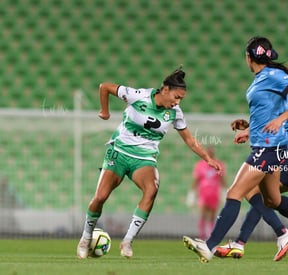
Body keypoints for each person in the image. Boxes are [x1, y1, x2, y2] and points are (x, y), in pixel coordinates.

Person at [183, 36, 288, 263]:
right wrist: (249, 130)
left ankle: (209, 245)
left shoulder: (273, 76)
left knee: (235, 192)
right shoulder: (263, 78)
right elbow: (265, 114)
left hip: (268, 149)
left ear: (248, 57)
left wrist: (281, 120)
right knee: (271, 200)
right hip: (270, 146)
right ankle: (284, 234)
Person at [76, 67, 222, 259]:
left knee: (151, 190)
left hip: (144, 157)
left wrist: (208, 158)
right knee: (100, 197)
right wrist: (105, 111)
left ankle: (127, 242)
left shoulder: (175, 113)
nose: (177, 102)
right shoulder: (138, 96)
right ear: (165, 90)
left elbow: (189, 140)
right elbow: (105, 87)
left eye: (181, 100)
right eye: (176, 97)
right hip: (119, 151)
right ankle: (86, 238)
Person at [215, 92, 288, 259]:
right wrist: (248, 128)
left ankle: (254, 241)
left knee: (255, 192)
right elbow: (277, 126)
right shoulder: (286, 101)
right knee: (264, 197)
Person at [187, 146, 226, 240]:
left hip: (214, 193)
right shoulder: (200, 165)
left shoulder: (219, 164)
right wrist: (192, 194)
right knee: (203, 215)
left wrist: (224, 193)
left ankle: (210, 236)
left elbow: (222, 179)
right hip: (203, 193)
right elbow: (196, 180)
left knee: (212, 216)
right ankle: (202, 235)